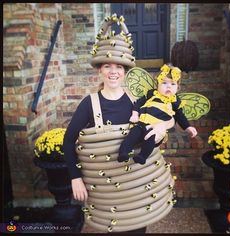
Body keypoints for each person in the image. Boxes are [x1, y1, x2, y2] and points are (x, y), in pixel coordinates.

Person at [63, 14, 175, 233]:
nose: (113, 71)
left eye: (119, 67)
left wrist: (164, 127)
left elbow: (165, 119)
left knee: (138, 229)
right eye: (107, 66)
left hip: (137, 190)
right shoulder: (89, 105)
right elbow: (68, 141)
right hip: (109, 197)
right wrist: (75, 178)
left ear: (125, 71)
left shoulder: (137, 101)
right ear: (99, 70)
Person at [118, 64, 198, 165]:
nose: (168, 86)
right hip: (141, 123)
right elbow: (138, 103)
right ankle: (123, 152)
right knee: (132, 135)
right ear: (158, 85)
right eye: (164, 83)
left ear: (178, 88)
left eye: (173, 84)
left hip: (156, 127)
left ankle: (142, 156)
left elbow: (180, 116)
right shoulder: (151, 94)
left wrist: (188, 127)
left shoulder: (175, 101)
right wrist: (134, 114)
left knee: (151, 139)